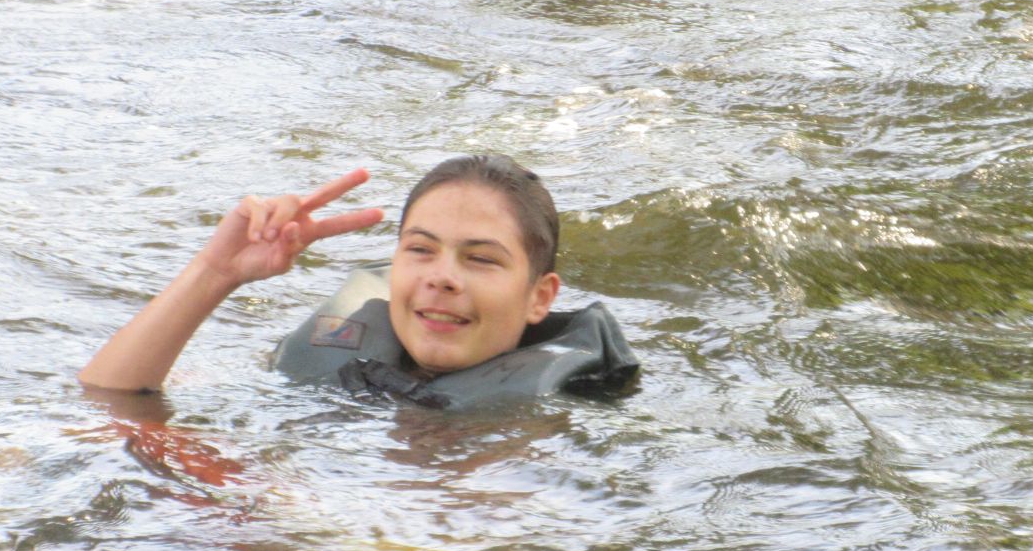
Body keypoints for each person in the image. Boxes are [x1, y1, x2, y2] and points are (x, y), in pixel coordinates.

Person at [80, 155, 635, 406]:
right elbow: (108, 400)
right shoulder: (317, 364)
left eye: (482, 259)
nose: (442, 278)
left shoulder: (551, 426)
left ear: (539, 297)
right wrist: (214, 273)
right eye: (420, 250)